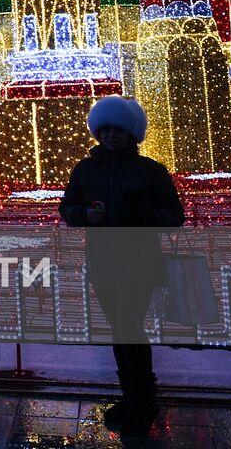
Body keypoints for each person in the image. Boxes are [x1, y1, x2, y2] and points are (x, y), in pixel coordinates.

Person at [59, 96, 184, 438]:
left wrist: (140, 214)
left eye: (118, 130)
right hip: (103, 260)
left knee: (129, 328)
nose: (111, 136)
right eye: (106, 130)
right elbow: (68, 207)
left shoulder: (150, 171)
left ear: (132, 134)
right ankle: (133, 397)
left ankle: (143, 401)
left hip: (139, 262)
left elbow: (174, 217)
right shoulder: (87, 169)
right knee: (120, 329)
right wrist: (85, 215)